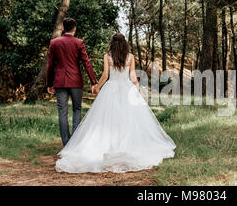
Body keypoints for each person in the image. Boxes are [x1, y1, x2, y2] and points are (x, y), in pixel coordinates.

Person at [55, 33, 176, 173]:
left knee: (108, 119)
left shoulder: (108, 56)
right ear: (125, 43)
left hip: (111, 89)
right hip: (127, 89)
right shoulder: (130, 57)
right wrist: (138, 90)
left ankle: (109, 144)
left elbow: (106, 75)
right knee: (128, 119)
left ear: (112, 43)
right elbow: (132, 76)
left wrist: (97, 86)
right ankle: (125, 144)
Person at [46, 18, 99, 147]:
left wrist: (49, 83)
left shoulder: (54, 42)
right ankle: (74, 144)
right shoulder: (79, 42)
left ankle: (66, 143)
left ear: (63, 28)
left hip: (59, 82)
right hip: (75, 81)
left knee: (62, 112)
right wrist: (94, 81)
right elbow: (86, 63)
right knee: (77, 109)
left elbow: (50, 65)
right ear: (74, 28)